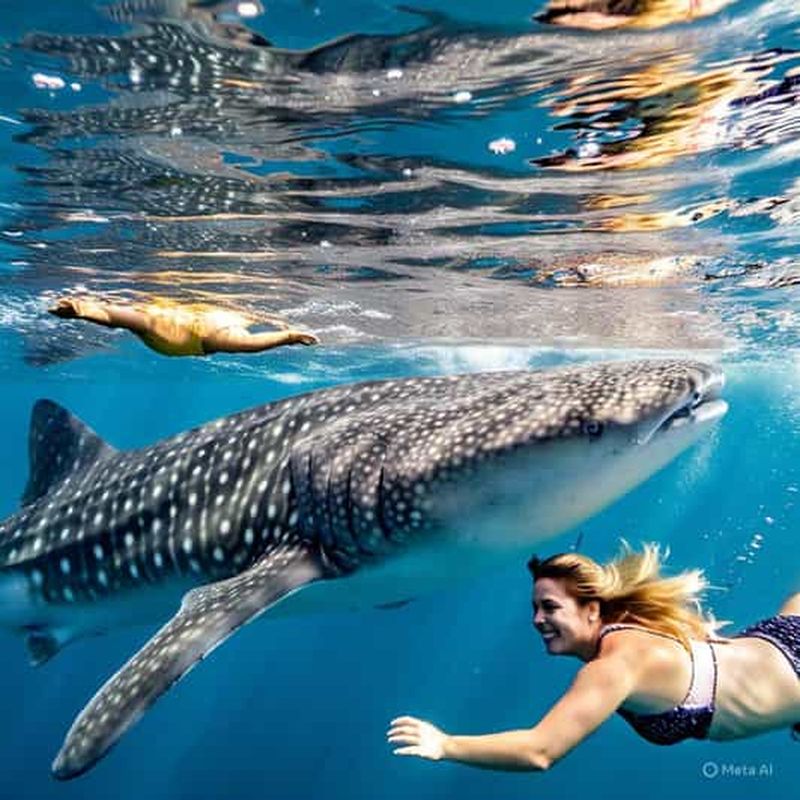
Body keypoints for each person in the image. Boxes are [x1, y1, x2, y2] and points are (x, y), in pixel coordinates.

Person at [387, 543, 800, 770]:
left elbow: (539, 751)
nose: (537, 620)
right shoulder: (623, 634)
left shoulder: (615, 665)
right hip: (773, 642)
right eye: (535, 608)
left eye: (550, 607)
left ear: (592, 610)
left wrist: (446, 744)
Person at [48, 296, 319, 357]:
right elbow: (111, 316)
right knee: (245, 339)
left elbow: (111, 316)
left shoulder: (149, 319)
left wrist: (286, 334)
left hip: (187, 330)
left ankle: (82, 309)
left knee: (127, 318)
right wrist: (288, 335)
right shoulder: (226, 329)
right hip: (187, 334)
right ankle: (82, 309)